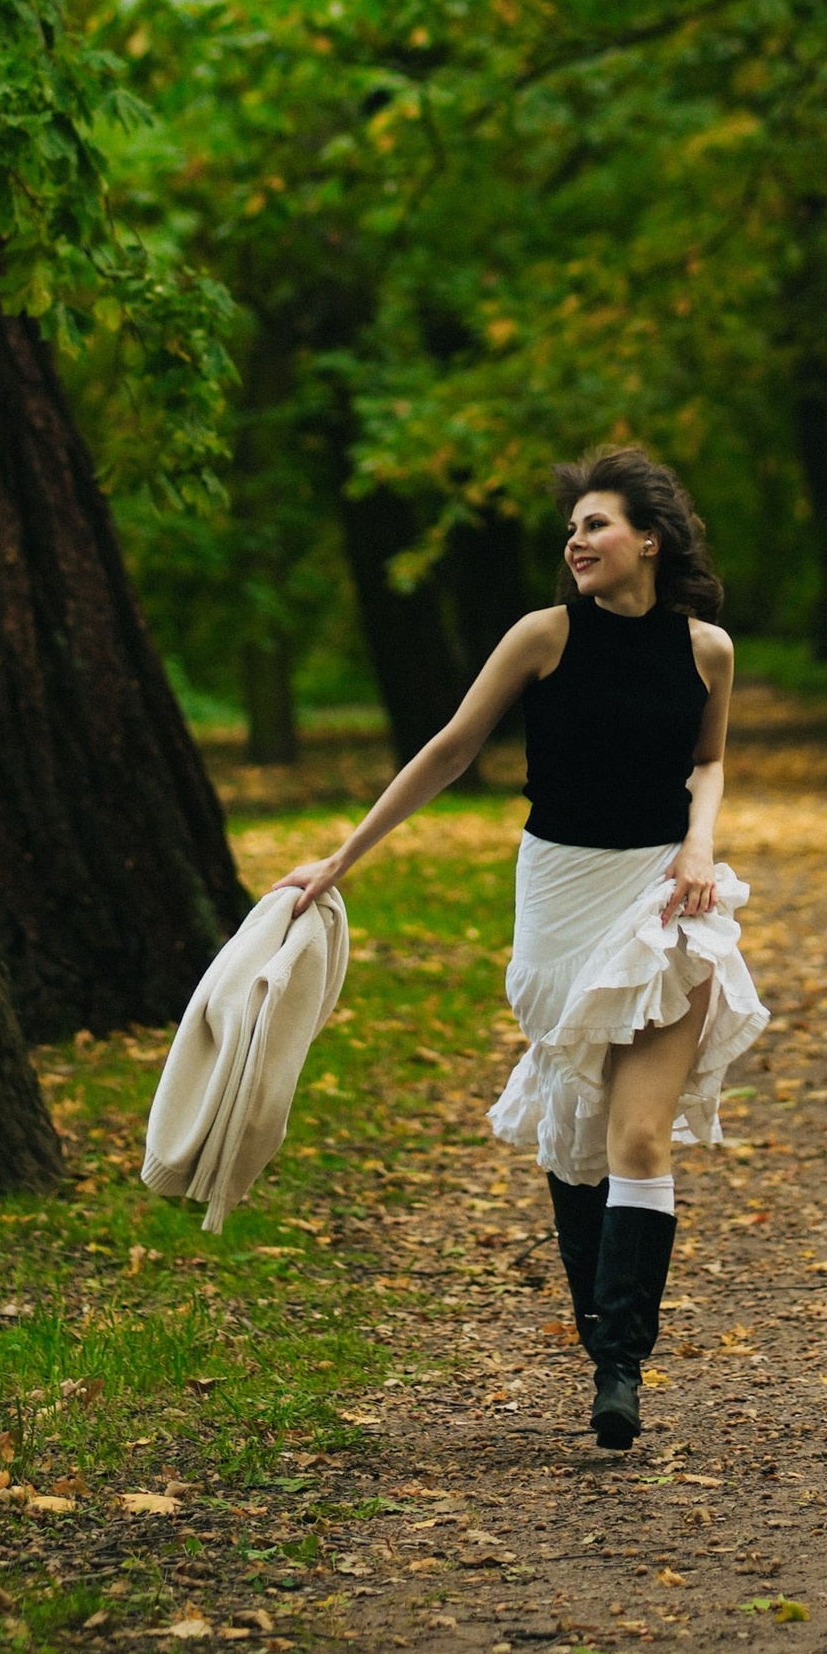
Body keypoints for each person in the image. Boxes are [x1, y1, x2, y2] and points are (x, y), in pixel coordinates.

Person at [275, 445, 765, 1450]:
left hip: (661, 895)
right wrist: (340, 859)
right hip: (558, 896)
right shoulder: (543, 637)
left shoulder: (705, 650)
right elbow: (450, 749)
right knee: (577, 1129)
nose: (576, 540)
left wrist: (700, 848)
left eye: (595, 525)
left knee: (636, 1139)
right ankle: (602, 1337)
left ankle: (620, 1366)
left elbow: (707, 761)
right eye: (573, 527)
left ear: (648, 542)